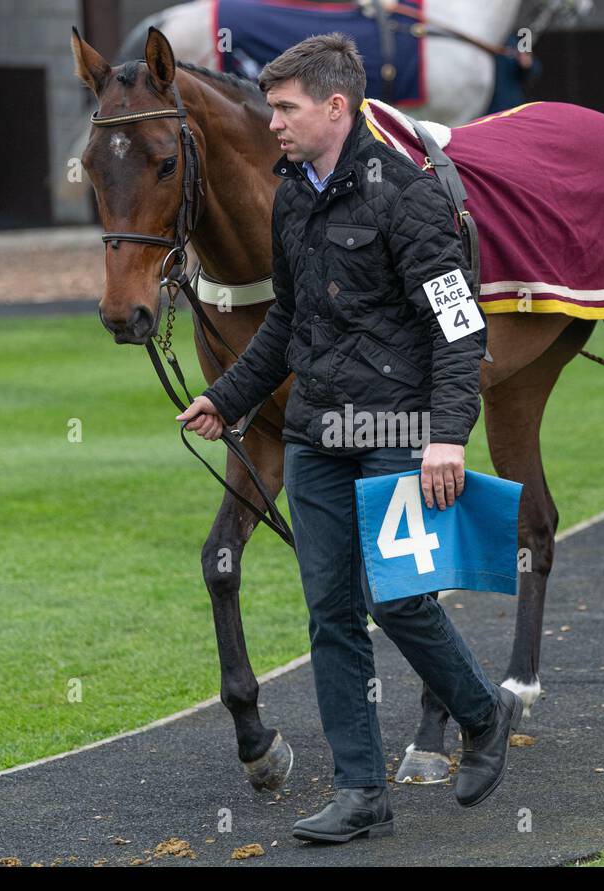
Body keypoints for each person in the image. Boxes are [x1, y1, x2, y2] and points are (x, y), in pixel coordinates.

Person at [177, 32, 521, 843]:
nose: (274, 124)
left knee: (396, 598)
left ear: (338, 106)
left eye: (288, 109)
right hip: (314, 436)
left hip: (399, 430)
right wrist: (226, 399)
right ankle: (363, 790)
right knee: (329, 611)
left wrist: (446, 437)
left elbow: (459, 327)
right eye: (271, 108)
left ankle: (482, 712)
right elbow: (286, 321)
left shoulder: (409, 196)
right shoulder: (291, 195)